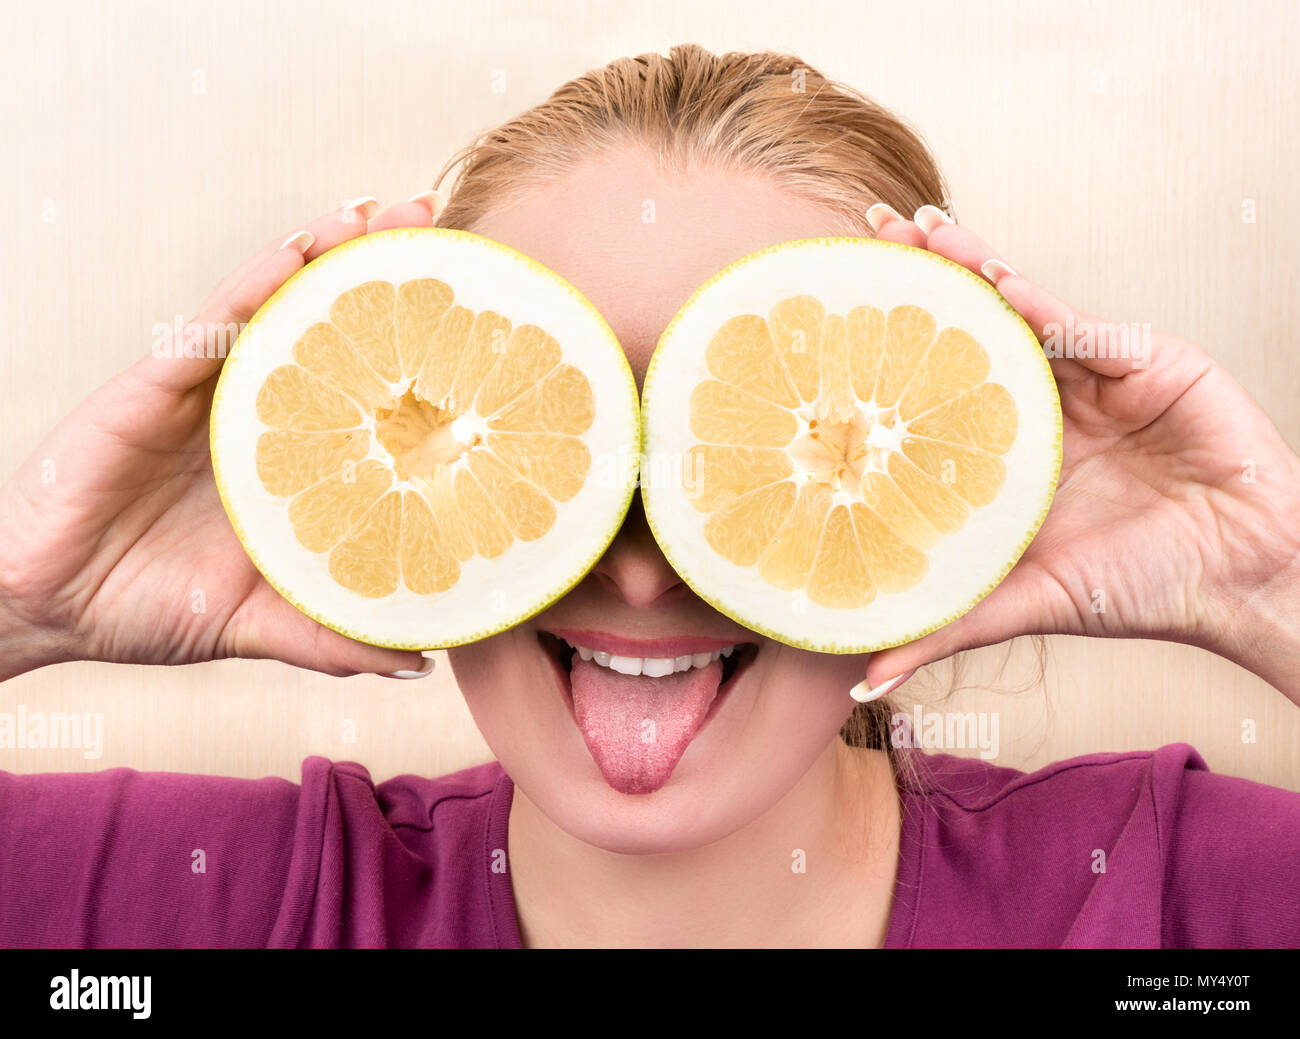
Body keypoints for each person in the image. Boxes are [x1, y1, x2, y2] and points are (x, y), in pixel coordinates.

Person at [1, 45, 1298, 948]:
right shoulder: (211, 905)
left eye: (741, 451)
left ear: (917, 479)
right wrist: (31, 600)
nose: (635, 568)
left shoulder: (1172, 896)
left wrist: (1264, 584)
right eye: (554, 438)